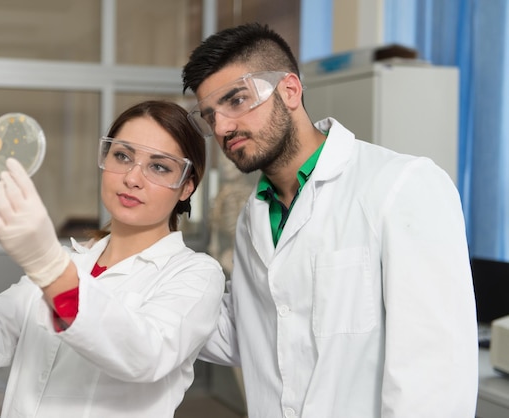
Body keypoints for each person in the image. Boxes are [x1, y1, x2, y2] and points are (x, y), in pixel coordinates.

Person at [182, 22, 478, 417]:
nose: (222, 127)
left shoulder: (401, 185)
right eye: (210, 116)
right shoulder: (254, 217)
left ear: (289, 90)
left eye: (236, 101)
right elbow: (252, 335)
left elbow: (436, 375)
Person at [0, 100, 225, 417]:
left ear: (186, 187)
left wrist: (50, 270)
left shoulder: (196, 274)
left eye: (159, 167)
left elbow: (145, 355)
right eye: (123, 156)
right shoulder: (69, 261)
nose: (132, 177)